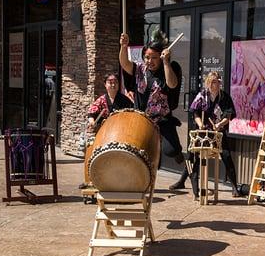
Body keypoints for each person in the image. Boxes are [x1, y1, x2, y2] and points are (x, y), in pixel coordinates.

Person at [119, 29, 185, 164]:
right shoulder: (139, 69)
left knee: (171, 150)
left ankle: (176, 153)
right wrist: (123, 46)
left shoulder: (171, 68)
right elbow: (124, 63)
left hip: (163, 119)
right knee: (142, 153)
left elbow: (172, 84)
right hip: (142, 119)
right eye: (147, 57)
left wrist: (166, 62)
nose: (150, 61)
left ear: (160, 57)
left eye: (154, 57)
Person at [188, 72, 242, 199]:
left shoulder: (224, 97)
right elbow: (195, 113)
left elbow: (229, 114)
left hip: (218, 132)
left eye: (217, 82)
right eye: (212, 82)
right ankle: (196, 192)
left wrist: (220, 124)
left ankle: (234, 186)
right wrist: (200, 124)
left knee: (227, 156)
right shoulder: (202, 96)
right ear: (208, 82)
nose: (215, 84)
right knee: (195, 158)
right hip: (203, 133)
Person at [79, 72, 133, 189]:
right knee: (89, 148)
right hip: (103, 134)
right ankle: (89, 180)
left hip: (120, 134)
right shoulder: (101, 100)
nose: (113, 85)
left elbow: (130, 116)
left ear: (119, 84)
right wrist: (92, 121)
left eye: (115, 82)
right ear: (105, 84)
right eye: (110, 82)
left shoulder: (125, 100)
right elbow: (91, 113)